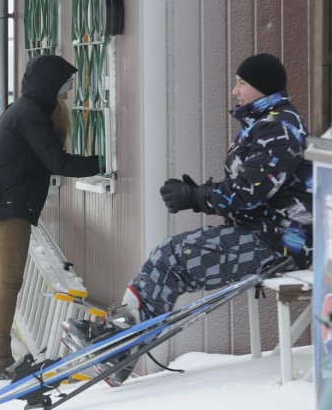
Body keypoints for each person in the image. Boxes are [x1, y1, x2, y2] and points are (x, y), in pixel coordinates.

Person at [62, 53, 313, 384]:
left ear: (262, 88)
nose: (235, 91)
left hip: (280, 244)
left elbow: (250, 192)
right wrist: (200, 195)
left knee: (173, 256)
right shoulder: (265, 123)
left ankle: (121, 344)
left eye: (242, 84)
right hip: (264, 233)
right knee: (172, 259)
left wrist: (197, 197)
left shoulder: (279, 128)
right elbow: (252, 192)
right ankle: (121, 342)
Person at [0, 54, 100, 380]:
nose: (69, 93)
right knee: (9, 285)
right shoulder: (32, 115)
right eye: (66, 86)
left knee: (1, 284)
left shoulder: (21, 109)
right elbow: (56, 162)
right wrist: (102, 163)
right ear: (51, 86)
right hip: (9, 209)